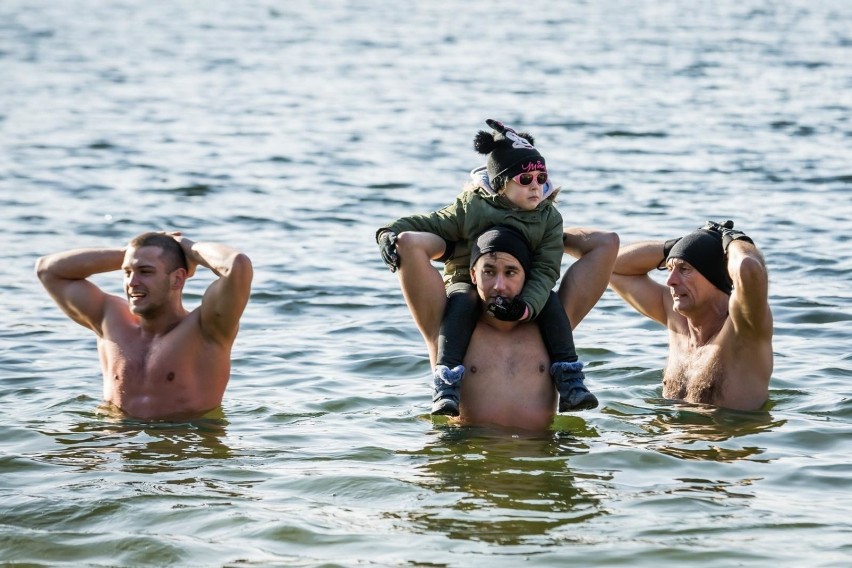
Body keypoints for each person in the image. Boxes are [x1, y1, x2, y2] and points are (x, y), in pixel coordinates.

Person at [377, 119, 597, 417]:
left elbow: (552, 267)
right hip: (465, 281)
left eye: (541, 177)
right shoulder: (471, 206)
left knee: (550, 300)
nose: (535, 186)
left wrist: (526, 305)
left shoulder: (548, 217)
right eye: (525, 179)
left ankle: (571, 379)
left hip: (532, 283)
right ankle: (447, 383)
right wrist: (388, 233)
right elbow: (424, 227)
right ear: (501, 182)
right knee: (462, 303)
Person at [389, 224, 618, 431]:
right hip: (471, 463)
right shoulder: (445, 326)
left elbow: (605, 244)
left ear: (526, 276)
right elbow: (409, 244)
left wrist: (541, 235)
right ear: (473, 275)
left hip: (538, 465)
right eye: (488, 272)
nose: (499, 286)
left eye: (510, 272)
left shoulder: (555, 323)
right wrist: (459, 238)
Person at [35, 232, 253, 420]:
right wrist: (129, 252)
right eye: (127, 272)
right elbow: (48, 269)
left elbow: (237, 265)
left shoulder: (207, 328)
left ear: (178, 279)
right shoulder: (109, 319)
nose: (132, 283)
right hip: (116, 453)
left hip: (184, 452)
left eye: (145, 271)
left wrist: (188, 249)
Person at [608, 220, 773, 410]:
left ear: (714, 279)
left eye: (684, 269)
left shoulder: (743, 329)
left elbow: (749, 268)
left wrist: (733, 239)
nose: (670, 281)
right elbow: (611, 266)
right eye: (670, 270)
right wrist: (678, 246)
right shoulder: (677, 320)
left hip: (723, 437)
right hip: (671, 436)